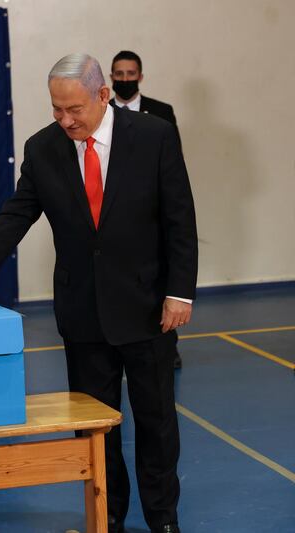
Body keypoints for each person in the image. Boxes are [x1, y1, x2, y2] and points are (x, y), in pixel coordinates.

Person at [0, 54, 197, 533]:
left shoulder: (153, 136)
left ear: (102, 95)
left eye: (74, 109)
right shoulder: (43, 148)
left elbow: (180, 219)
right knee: (95, 428)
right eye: (56, 109)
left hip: (148, 308)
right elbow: (17, 214)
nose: (65, 120)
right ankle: (109, 514)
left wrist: (179, 293)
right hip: (84, 312)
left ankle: (163, 520)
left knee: (157, 423)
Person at [110, 50, 184, 368]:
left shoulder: (161, 112)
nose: (125, 79)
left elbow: (174, 161)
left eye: (131, 74)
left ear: (141, 76)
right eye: (119, 74)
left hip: (154, 208)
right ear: (111, 77)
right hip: (114, 212)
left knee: (161, 275)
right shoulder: (103, 112)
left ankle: (168, 342)